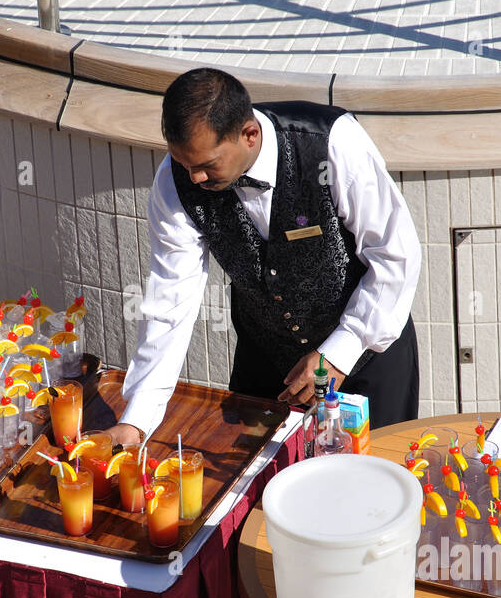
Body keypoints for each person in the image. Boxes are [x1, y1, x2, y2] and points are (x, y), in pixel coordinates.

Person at [106, 67, 422, 447]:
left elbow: (395, 256)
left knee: (374, 485)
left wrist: (341, 351)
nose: (194, 179)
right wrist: (136, 419)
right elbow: (169, 300)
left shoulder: (332, 143)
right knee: (256, 490)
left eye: (207, 166)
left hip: (369, 353)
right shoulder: (176, 181)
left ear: (249, 134)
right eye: (185, 164)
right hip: (266, 364)